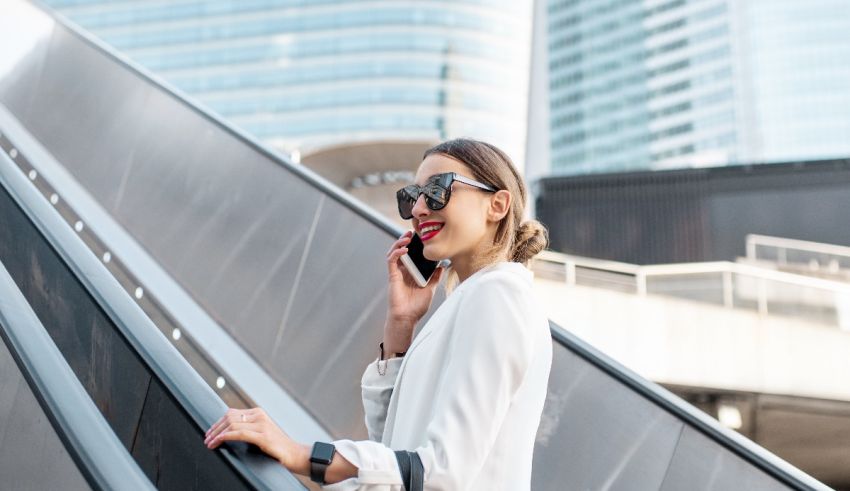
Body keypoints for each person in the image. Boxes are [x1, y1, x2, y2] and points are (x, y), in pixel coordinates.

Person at [205, 138, 553, 490]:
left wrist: (301, 454)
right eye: (412, 196)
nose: (418, 209)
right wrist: (401, 324)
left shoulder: (499, 295)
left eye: (436, 190)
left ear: (497, 204)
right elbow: (396, 448)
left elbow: (443, 471)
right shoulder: (473, 299)